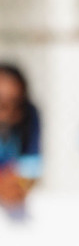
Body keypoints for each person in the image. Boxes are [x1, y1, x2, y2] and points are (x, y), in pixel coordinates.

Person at [0, 63, 42, 210]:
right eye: (2, 104)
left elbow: (32, 168)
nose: (8, 112)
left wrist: (19, 186)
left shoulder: (29, 116)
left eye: (16, 104)